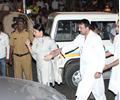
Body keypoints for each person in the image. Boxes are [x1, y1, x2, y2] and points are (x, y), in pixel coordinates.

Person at [75, 19, 106, 100]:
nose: (79, 30)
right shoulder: (80, 37)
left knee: (82, 93)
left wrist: (99, 70)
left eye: (81, 28)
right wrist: (59, 50)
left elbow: (102, 55)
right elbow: (72, 45)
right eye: (79, 27)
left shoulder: (95, 38)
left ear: (87, 28)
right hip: (85, 70)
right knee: (99, 94)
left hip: (93, 70)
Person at [104, 20, 119, 100]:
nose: (116, 29)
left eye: (118, 27)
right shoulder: (117, 37)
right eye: (116, 26)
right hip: (117, 69)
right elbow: (112, 50)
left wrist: (108, 66)